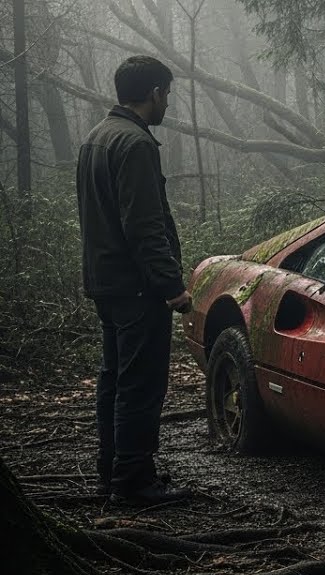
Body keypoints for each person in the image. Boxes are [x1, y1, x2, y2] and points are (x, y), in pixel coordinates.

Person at [77, 55, 193, 505]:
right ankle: (133, 483)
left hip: (105, 283)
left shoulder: (96, 137)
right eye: (168, 94)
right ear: (155, 93)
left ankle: (113, 473)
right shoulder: (135, 144)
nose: (168, 103)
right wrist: (171, 288)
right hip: (137, 287)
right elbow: (144, 226)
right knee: (141, 383)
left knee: (115, 380)